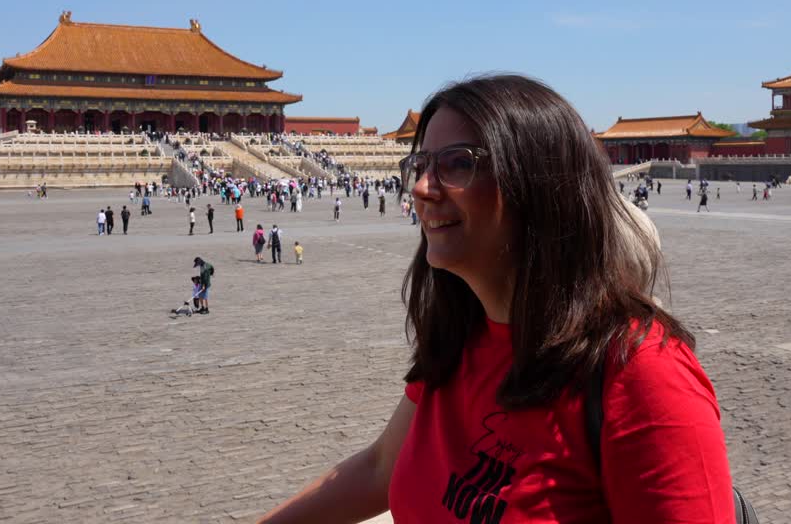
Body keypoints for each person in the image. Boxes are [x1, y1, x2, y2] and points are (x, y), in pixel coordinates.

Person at [259, 74, 732, 523]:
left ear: (539, 184)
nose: (422, 189)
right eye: (420, 165)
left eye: (459, 163)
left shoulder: (643, 375)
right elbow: (381, 468)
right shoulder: (459, 340)